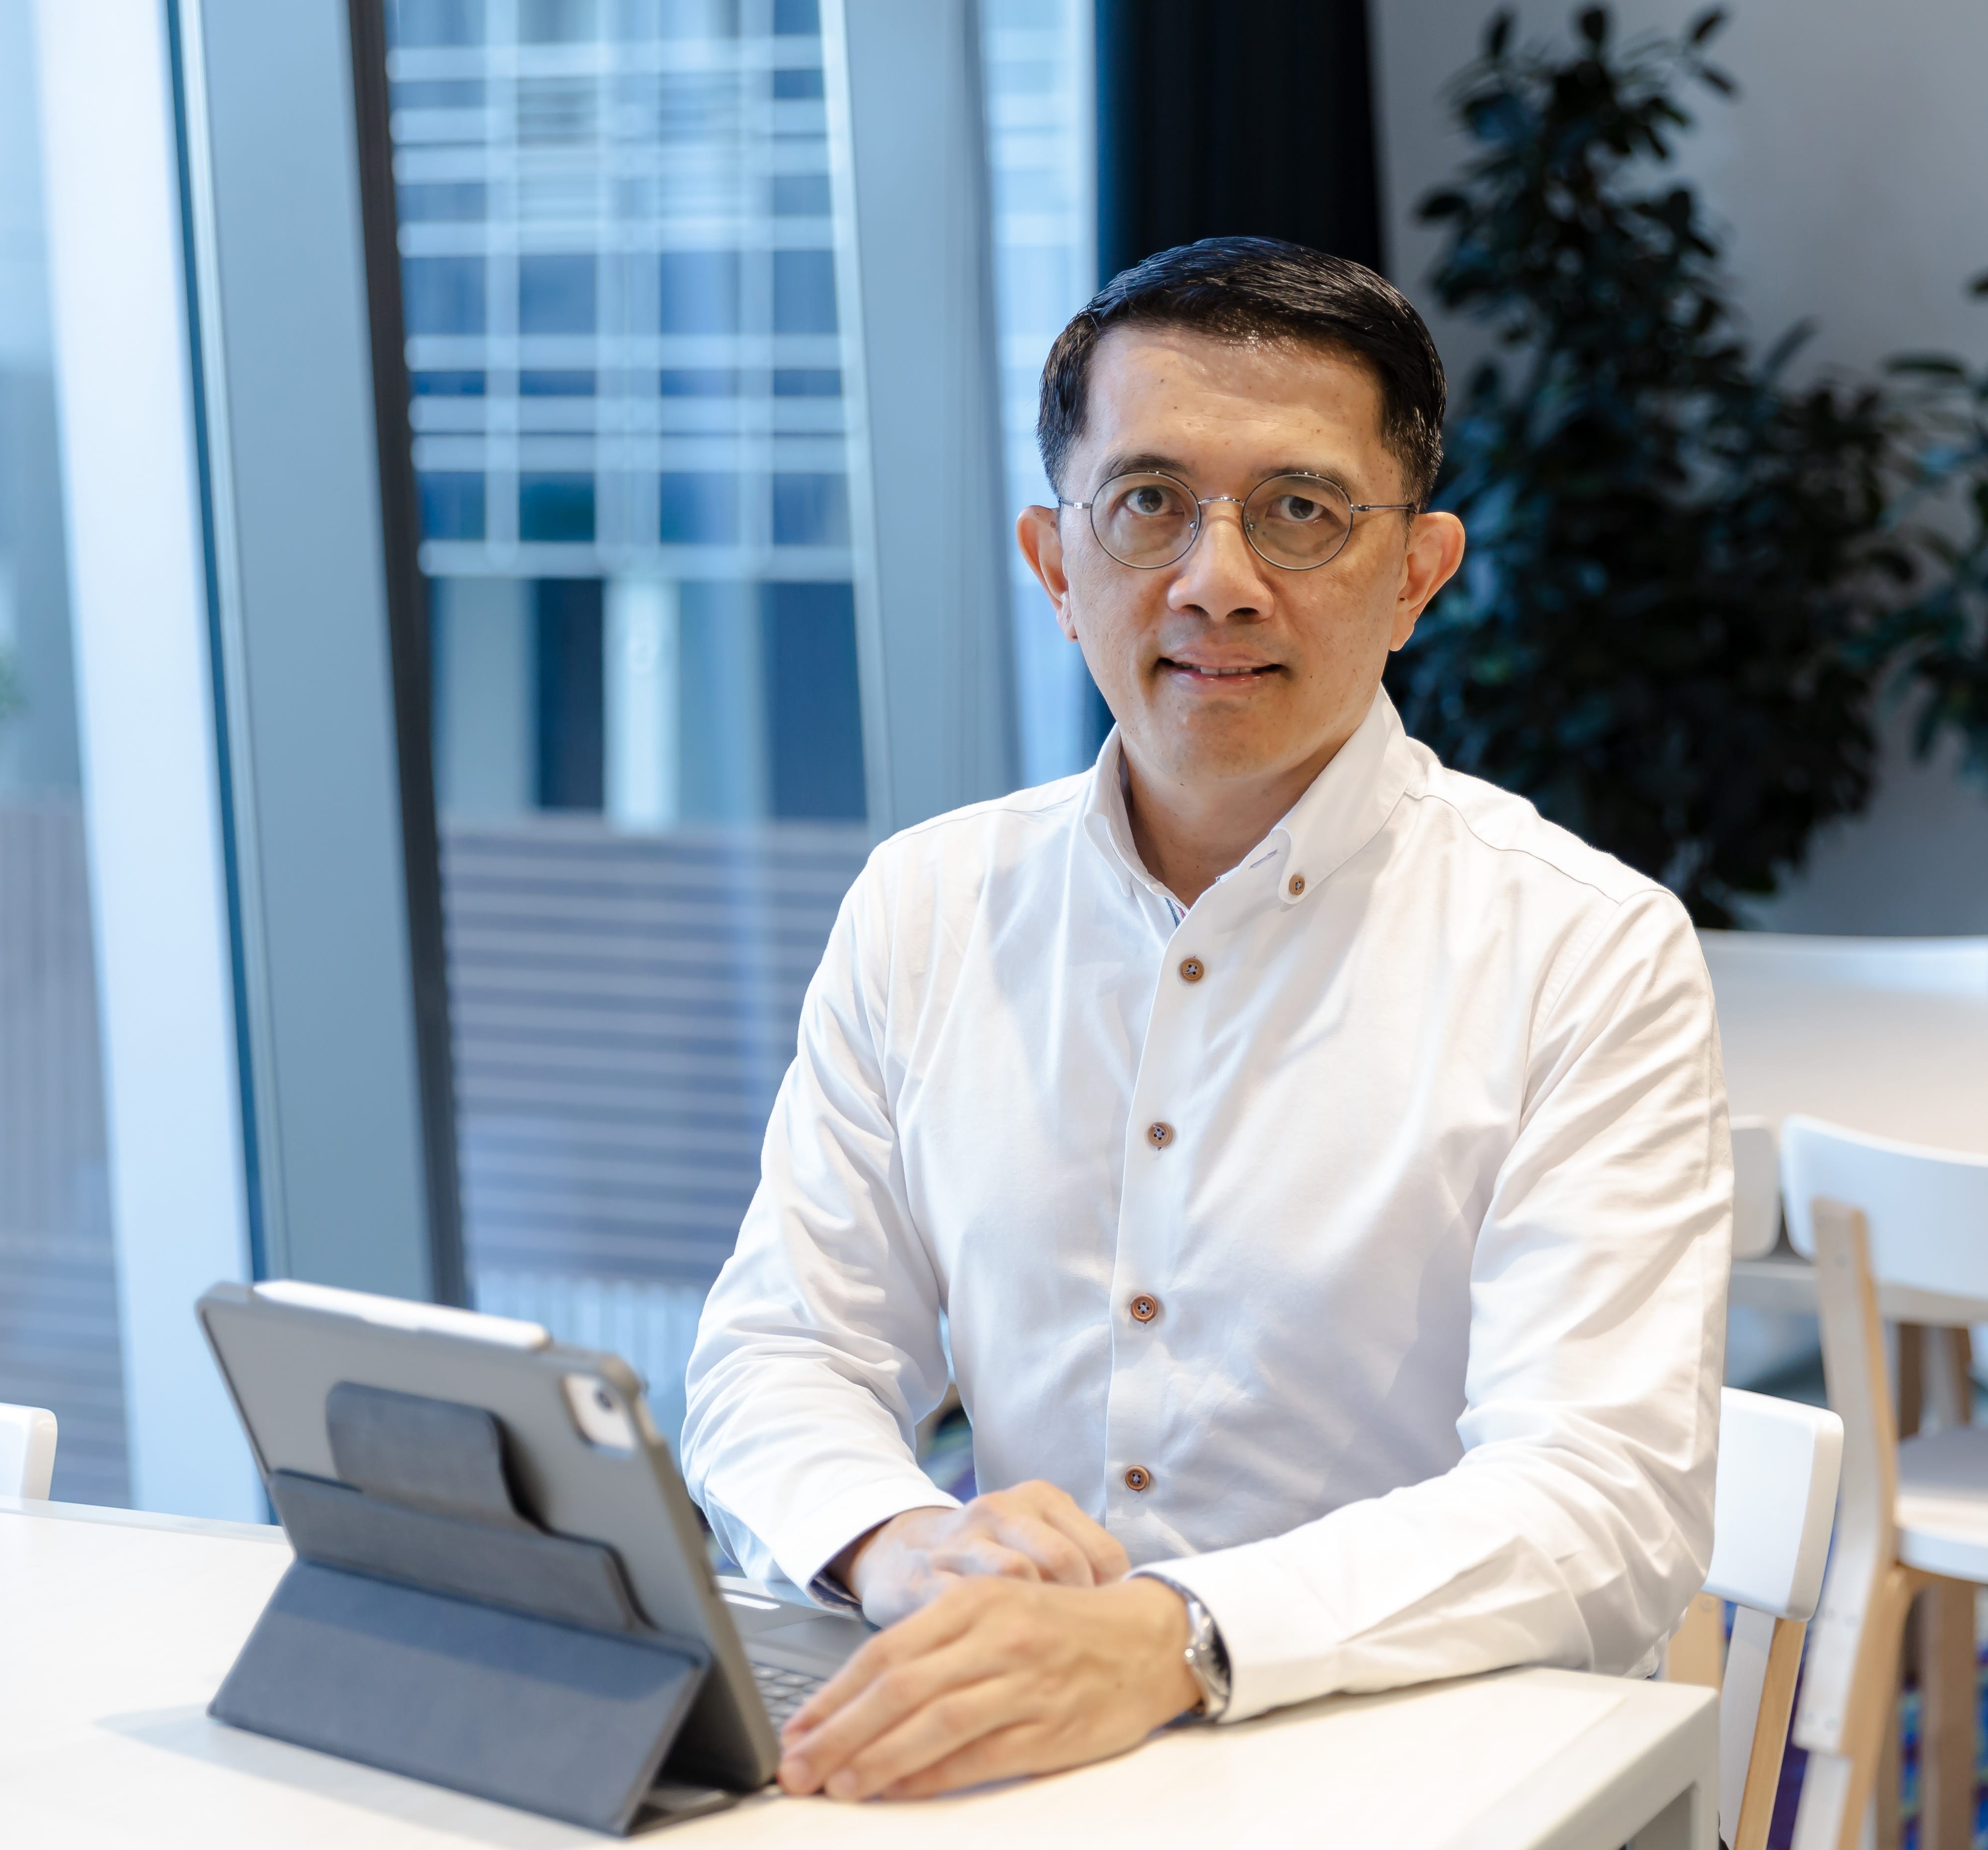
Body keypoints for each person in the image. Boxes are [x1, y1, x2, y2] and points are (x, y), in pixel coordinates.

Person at [682, 236, 1730, 1805]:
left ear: (1414, 576)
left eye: (1301, 512)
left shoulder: (1586, 947)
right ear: (1055, 563)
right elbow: (784, 1349)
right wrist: (895, 1540)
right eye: (1149, 504)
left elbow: (1598, 1497)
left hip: (1423, 1760)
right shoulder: (927, 903)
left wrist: (1178, 1634)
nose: (1216, 579)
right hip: (1022, 1747)